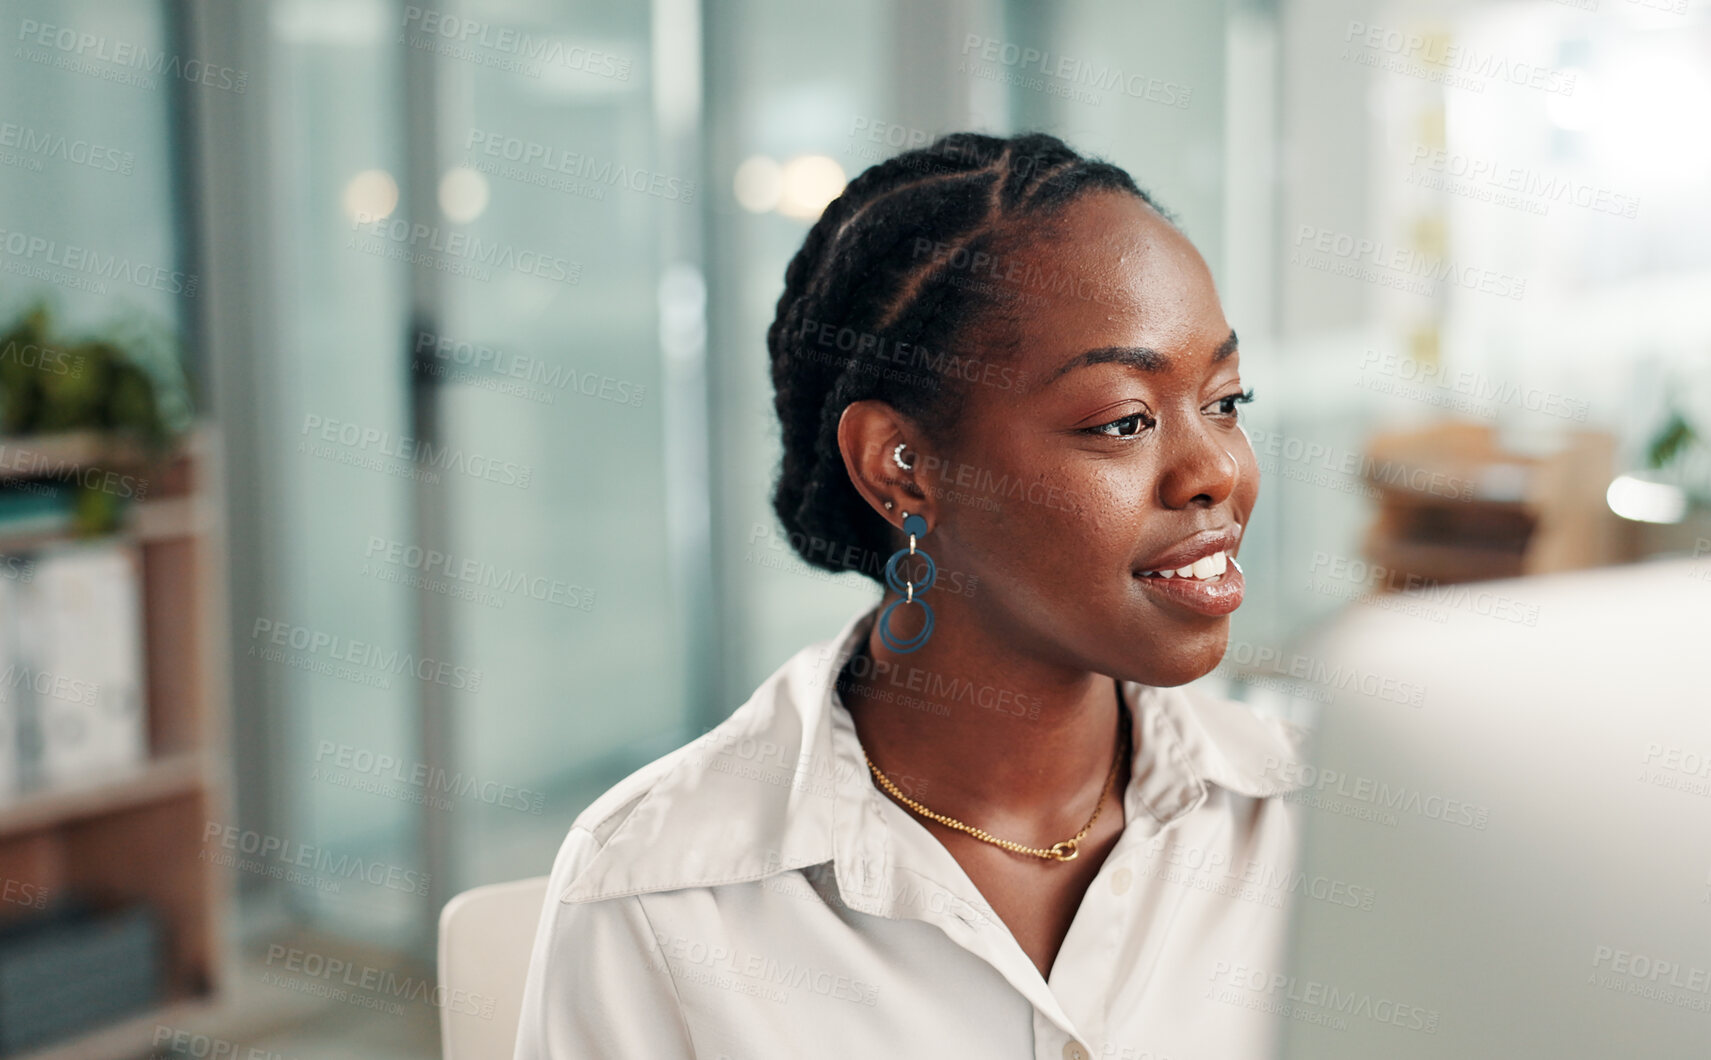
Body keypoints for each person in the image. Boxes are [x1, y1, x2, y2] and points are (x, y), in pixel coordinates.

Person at [515, 130, 1312, 1059]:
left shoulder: (1311, 824)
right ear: (901, 465)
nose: (1215, 470)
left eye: (1224, 402)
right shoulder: (656, 894)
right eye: (1123, 420)